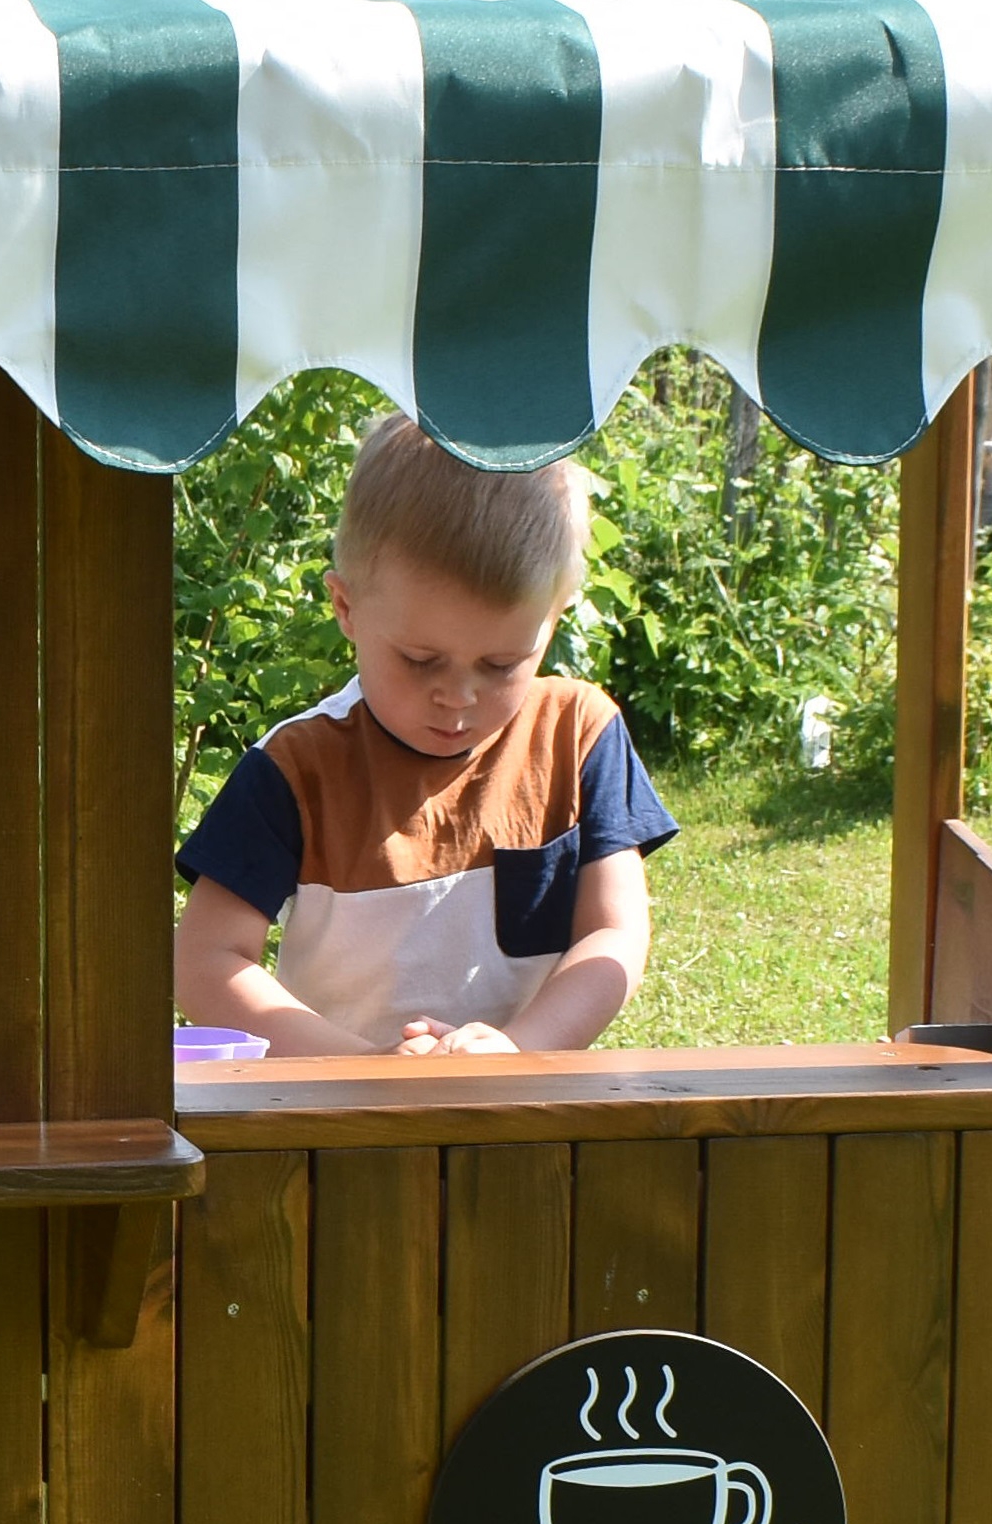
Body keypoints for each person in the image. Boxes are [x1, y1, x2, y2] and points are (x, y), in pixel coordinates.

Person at [174, 414, 672, 1058]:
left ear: (554, 617)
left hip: (530, 1115)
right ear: (347, 608)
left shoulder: (579, 735)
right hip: (344, 1126)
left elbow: (614, 934)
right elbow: (209, 961)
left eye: (501, 665)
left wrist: (522, 1051)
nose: (458, 698)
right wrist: (362, 1073)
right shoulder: (298, 767)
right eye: (419, 659)